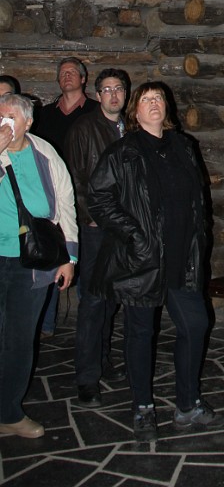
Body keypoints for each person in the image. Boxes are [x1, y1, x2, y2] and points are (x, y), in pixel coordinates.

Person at [88, 81, 224, 442]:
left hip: (182, 257)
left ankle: (187, 405)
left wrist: (199, 234)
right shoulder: (123, 151)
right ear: (135, 111)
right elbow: (98, 197)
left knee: (195, 326)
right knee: (140, 333)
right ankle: (143, 407)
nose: (154, 103)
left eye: (159, 98)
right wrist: (134, 235)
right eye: (146, 99)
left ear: (167, 108)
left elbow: (198, 197)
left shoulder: (183, 146)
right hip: (143, 260)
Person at [0, 93, 78, 439]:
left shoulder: (45, 153)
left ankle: (8, 413)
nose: (3, 123)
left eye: (10, 117)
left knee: (19, 338)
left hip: (31, 262)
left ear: (28, 122)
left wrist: (69, 258)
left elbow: (66, 205)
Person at [63, 68, 130, 408]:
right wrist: (90, 219)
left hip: (125, 228)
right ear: (97, 94)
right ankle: (87, 377)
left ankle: (103, 359)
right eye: (107, 89)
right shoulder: (83, 129)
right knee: (92, 300)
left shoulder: (130, 129)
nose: (113, 95)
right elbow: (75, 180)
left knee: (111, 297)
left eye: (118, 89)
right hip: (96, 228)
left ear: (125, 93)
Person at [34, 57, 97, 338]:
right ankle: (46, 323)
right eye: (62, 73)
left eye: (72, 72)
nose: (67, 76)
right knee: (50, 257)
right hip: (52, 197)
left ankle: (88, 325)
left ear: (83, 79)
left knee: (86, 259)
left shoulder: (95, 112)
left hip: (87, 199)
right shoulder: (45, 115)